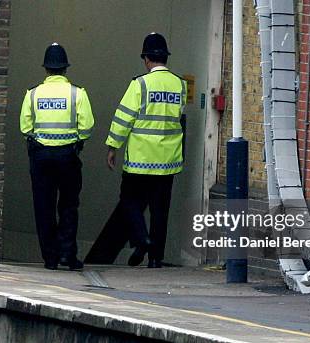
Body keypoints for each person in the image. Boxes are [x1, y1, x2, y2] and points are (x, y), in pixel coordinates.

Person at [85, 33, 186, 268]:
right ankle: (155, 259)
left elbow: (124, 118)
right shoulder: (179, 84)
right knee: (161, 211)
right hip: (167, 162)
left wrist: (113, 146)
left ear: (146, 59)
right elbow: (178, 117)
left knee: (129, 202)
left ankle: (142, 239)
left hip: (140, 160)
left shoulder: (139, 84)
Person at [20, 43, 94, 271]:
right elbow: (87, 126)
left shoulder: (32, 94)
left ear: (46, 69)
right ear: (65, 69)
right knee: (69, 206)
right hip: (68, 156)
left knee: (44, 207)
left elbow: (25, 127)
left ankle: (50, 259)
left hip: (41, 156)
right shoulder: (77, 93)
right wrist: (75, 139)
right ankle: (67, 255)